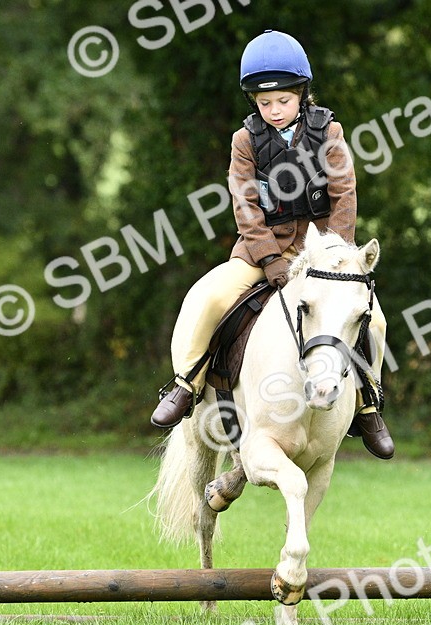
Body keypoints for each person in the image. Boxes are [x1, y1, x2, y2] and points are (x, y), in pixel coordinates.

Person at [151, 29, 394, 459]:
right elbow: (245, 206)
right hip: (260, 253)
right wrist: (268, 260)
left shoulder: (329, 132)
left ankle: (367, 404)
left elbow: (345, 196)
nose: (274, 110)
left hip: (322, 257)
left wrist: (335, 254)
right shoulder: (244, 142)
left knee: (373, 323)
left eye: (283, 101)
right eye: (264, 103)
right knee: (210, 297)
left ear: (302, 93)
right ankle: (187, 384)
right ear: (253, 103)